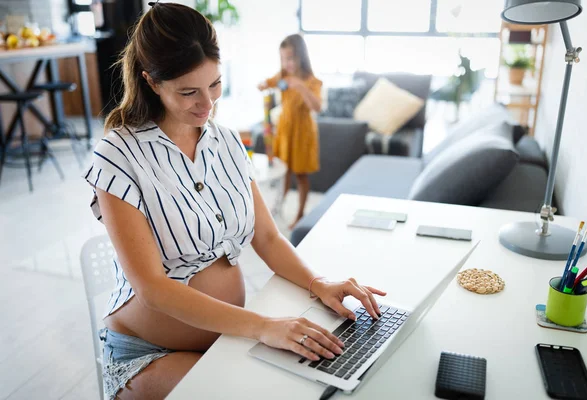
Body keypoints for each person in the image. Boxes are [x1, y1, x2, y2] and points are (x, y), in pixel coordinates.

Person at [82, 3, 385, 399]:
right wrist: (264, 325)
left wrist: (317, 282)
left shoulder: (225, 140)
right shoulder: (118, 153)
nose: (207, 104)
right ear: (152, 82)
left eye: (215, 84)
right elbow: (153, 289)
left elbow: (267, 237)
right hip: (150, 354)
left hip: (228, 336)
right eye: (188, 91)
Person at [258, 34, 322, 229]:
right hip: (285, 131)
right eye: (284, 59)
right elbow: (266, 83)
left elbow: (317, 107)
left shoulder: (312, 82)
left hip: (303, 133)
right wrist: (262, 85)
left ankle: (300, 213)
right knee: (283, 172)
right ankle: (277, 210)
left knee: (301, 175)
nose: (287, 63)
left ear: (301, 57)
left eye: (291, 58)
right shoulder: (282, 77)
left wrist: (301, 86)